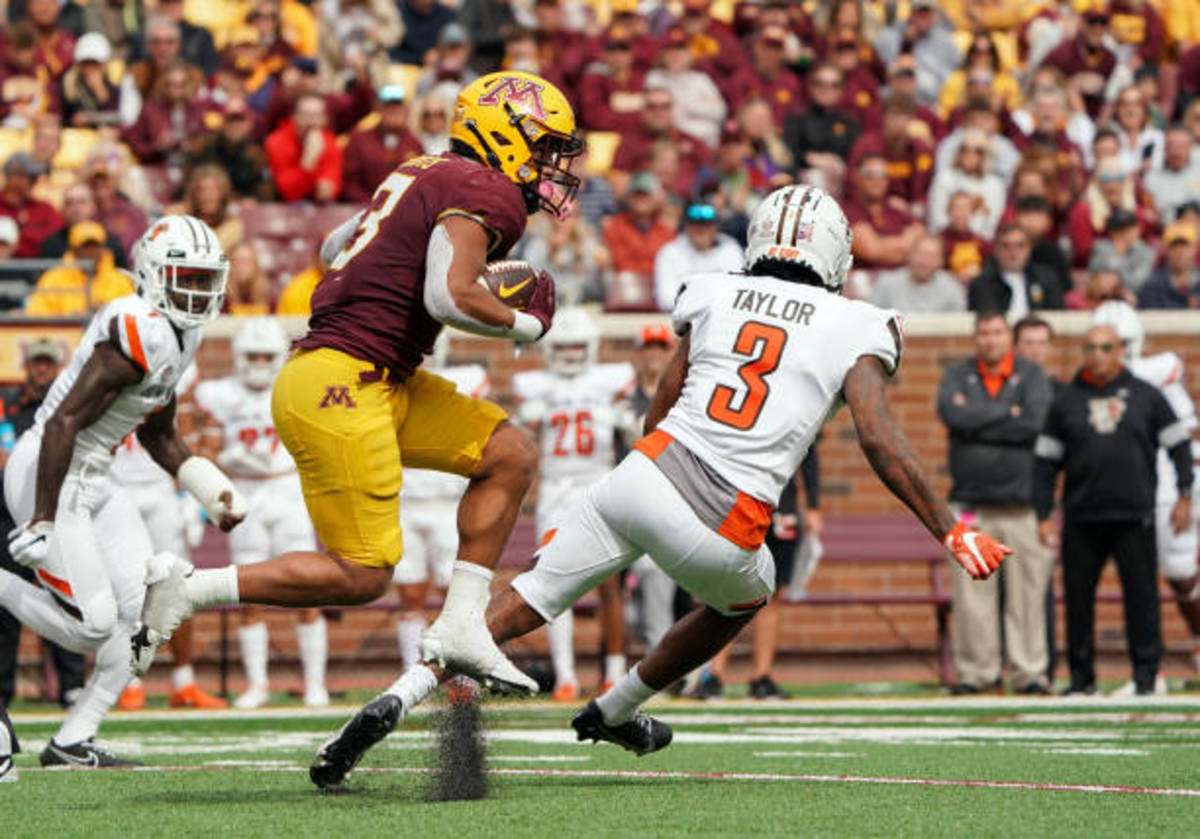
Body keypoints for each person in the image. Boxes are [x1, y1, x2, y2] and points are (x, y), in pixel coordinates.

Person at [310, 185, 1009, 785]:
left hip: (640, 473)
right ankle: (615, 707)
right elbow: (880, 438)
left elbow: (663, 404)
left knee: (522, 600)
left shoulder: (716, 292)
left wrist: (644, 485)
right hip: (721, 516)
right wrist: (951, 527)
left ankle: (401, 695)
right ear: (834, 250)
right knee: (748, 591)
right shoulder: (858, 321)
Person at [133, 72, 581, 708]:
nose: (546, 166)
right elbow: (446, 295)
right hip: (343, 381)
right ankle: (189, 589)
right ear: (502, 132)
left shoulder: (424, 170)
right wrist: (525, 322)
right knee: (364, 574)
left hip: (368, 375)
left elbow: (334, 245)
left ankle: (461, 624)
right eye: (540, 147)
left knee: (509, 453)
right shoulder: (489, 190)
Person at [0, 215, 236, 767]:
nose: (198, 292)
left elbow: (157, 432)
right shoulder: (138, 325)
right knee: (90, 626)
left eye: (206, 280)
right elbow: (61, 423)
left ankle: (72, 740)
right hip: (50, 472)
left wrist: (208, 488)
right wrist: (41, 519)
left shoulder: (182, 336)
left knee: (148, 613)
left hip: (97, 476)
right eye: (187, 278)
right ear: (153, 274)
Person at [1035, 324, 1192, 696]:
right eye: (1090, 347)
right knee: (1077, 602)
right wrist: (1042, 514)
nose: (1097, 354)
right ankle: (1080, 681)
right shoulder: (1067, 401)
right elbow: (1045, 463)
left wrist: (1185, 495)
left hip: (1134, 516)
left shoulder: (1147, 396)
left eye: (1105, 347)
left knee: (1143, 600)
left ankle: (1146, 679)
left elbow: (1179, 446)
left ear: (1120, 350)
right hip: (1081, 518)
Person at [192, 318, 328, 709]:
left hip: (287, 490)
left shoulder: (295, 387)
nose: (259, 362)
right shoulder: (218, 394)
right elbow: (204, 444)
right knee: (248, 592)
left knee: (306, 588)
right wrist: (230, 457)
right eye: (252, 355)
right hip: (245, 492)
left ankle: (314, 681)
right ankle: (257, 683)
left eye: (266, 356)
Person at [512, 308, 635, 701]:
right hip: (557, 490)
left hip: (600, 483)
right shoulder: (534, 384)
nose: (570, 354)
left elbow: (632, 431)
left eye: (577, 346)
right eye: (563, 346)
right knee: (553, 579)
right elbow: (521, 437)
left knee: (610, 584)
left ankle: (613, 674)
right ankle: (565, 674)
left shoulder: (611, 379)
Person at [937, 312, 1055, 695]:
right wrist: (1008, 413)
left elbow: (1034, 423)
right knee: (972, 596)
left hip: (1023, 504)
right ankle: (975, 673)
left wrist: (976, 424)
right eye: (983, 333)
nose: (990, 339)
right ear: (976, 337)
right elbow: (952, 415)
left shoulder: (1032, 375)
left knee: (1027, 595)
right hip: (971, 505)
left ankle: (1029, 673)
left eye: (997, 332)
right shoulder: (957, 374)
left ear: (1010, 337)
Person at [1092, 302, 1200, 681]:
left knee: (1180, 568)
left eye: (1114, 344)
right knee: (1160, 573)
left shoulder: (1154, 370)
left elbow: (1166, 368)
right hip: (1142, 485)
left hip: (1177, 480)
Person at [109, 367, 226, 712]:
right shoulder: (106, 367)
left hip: (161, 489)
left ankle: (183, 681)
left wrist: (189, 494)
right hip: (118, 488)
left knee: (178, 583)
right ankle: (127, 680)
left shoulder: (173, 365)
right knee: (125, 589)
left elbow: (195, 424)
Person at [392, 333, 487, 675]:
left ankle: (460, 676)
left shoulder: (464, 381)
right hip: (406, 503)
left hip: (449, 503)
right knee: (410, 596)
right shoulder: (389, 384)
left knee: (458, 600)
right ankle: (412, 674)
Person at [0, 339, 85, 711]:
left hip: (53, 515)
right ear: (26, 365)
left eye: (48, 363)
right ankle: (2, 692)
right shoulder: (7, 406)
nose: (41, 369)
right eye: (36, 362)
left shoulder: (68, 408)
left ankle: (72, 686)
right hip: (7, 518)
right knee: (5, 608)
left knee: (62, 598)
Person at [704, 452, 820, 699]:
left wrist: (813, 505)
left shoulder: (798, 413)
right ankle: (713, 674)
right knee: (725, 590)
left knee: (773, 595)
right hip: (737, 499)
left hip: (780, 506)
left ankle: (761, 675)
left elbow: (809, 451)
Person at [341, 85, 425, 203]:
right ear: (378, 109)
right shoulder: (358, 140)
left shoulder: (414, 143)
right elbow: (348, 182)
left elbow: (421, 183)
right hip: (363, 209)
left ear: (406, 111)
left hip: (403, 211)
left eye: (398, 107)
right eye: (388, 107)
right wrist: (370, 205)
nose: (393, 111)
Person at [653, 204, 743, 313]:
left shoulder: (731, 251)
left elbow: (738, 294)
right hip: (681, 321)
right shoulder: (670, 253)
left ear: (716, 226)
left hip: (722, 317)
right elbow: (666, 300)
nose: (701, 229)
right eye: (695, 224)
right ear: (685, 226)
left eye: (707, 224)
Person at [968, 223, 1064, 318]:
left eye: (1020, 246)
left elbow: (1057, 317)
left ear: (1029, 249)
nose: (1013, 252)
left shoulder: (1046, 279)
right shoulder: (982, 284)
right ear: (996, 250)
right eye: (1006, 246)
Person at [265, 93, 344, 203]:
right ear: (294, 117)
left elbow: (330, 187)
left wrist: (327, 189)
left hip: (320, 209)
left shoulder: (331, 142)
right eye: (305, 115)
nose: (311, 121)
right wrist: (309, 161)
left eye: (316, 115)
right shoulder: (276, 142)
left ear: (325, 119)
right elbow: (288, 193)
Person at [868, 234, 965, 313]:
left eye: (932, 256)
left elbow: (960, 329)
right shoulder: (886, 284)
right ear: (910, 255)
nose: (925, 262)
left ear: (941, 262)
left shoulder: (951, 288)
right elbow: (869, 322)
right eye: (921, 254)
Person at [0, 152, 61, 258]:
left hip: (37, 270)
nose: (35, 182)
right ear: (13, 177)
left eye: (35, 179)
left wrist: (17, 242)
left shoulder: (44, 209)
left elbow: (56, 238)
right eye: (31, 178)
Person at [1143, 126, 1200, 224]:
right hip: (1166, 232)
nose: (1176, 152)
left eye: (1181, 146)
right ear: (1164, 148)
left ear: (1191, 147)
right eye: (1171, 146)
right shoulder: (1151, 178)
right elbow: (1149, 212)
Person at [1138, 221, 1200, 309]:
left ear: (1195, 249)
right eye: (1174, 246)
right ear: (1165, 250)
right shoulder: (1152, 286)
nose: (1180, 252)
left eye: (1185, 246)